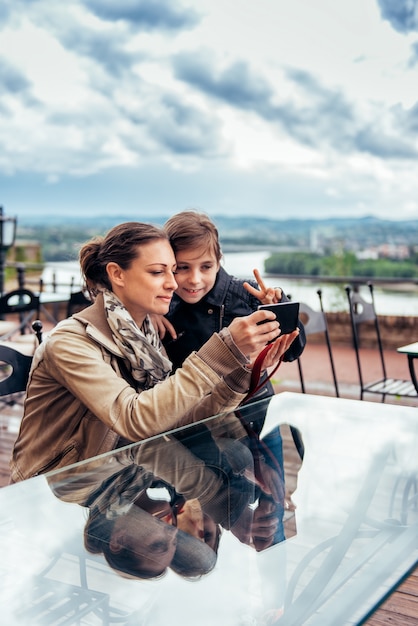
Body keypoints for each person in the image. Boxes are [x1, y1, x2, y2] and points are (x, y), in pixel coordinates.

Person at [10, 221, 299, 482]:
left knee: (226, 512)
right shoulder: (70, 344)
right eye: (158, 272)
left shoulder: (146, 337)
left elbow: (177, 419)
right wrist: (223, 348)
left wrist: (242, 374)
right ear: (116, 274)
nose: (175, 283)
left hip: (119, 477)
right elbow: (135, 419)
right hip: (56, 489)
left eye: (173, 271)